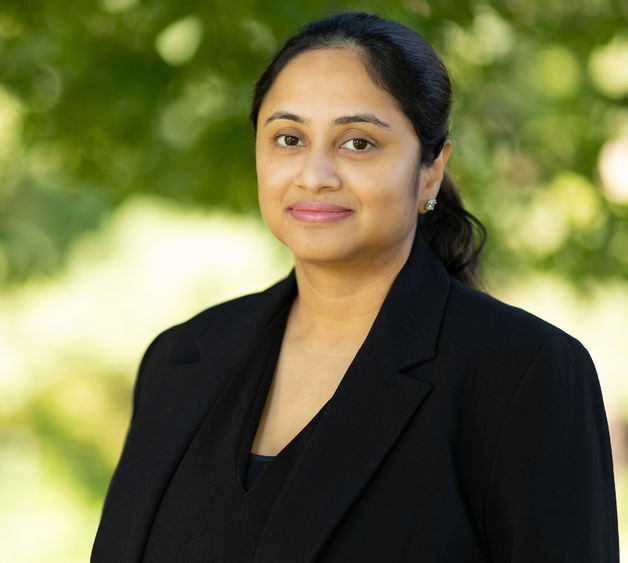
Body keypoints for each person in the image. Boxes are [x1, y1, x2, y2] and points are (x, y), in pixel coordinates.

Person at [91, 12, 619, 562]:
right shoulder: (179, 358)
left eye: (359, 143)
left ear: (431, 170)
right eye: (289, 138)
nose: (315, 174)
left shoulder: (522, 373)